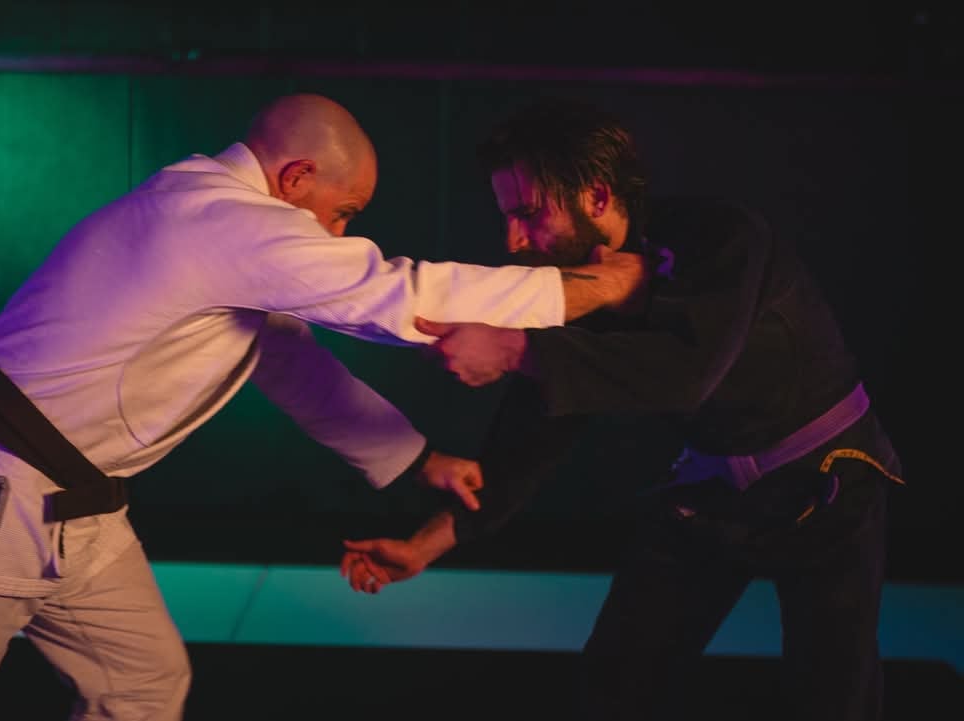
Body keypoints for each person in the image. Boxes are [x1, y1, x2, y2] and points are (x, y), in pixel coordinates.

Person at [0, 92, 646, 721]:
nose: (342, 233)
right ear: (297, 177)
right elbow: (401, 292)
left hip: (71, 506)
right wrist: (608, 283)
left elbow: (290, 366)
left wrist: (420, 458)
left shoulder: (215, 225)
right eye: (343, 212)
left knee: (142, 686)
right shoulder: (221, 219)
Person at [340, 97, 905, 721]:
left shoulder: (721, 237)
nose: (513, 240)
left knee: (834, 692)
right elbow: (533, 431)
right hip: (713, 491)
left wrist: (513, 346)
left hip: (829, 480)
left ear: (598, 197)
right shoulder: (568, 284)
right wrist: (425, 545)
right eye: (507, 217)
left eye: (528, 213)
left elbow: (685, 373)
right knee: (620, 675)